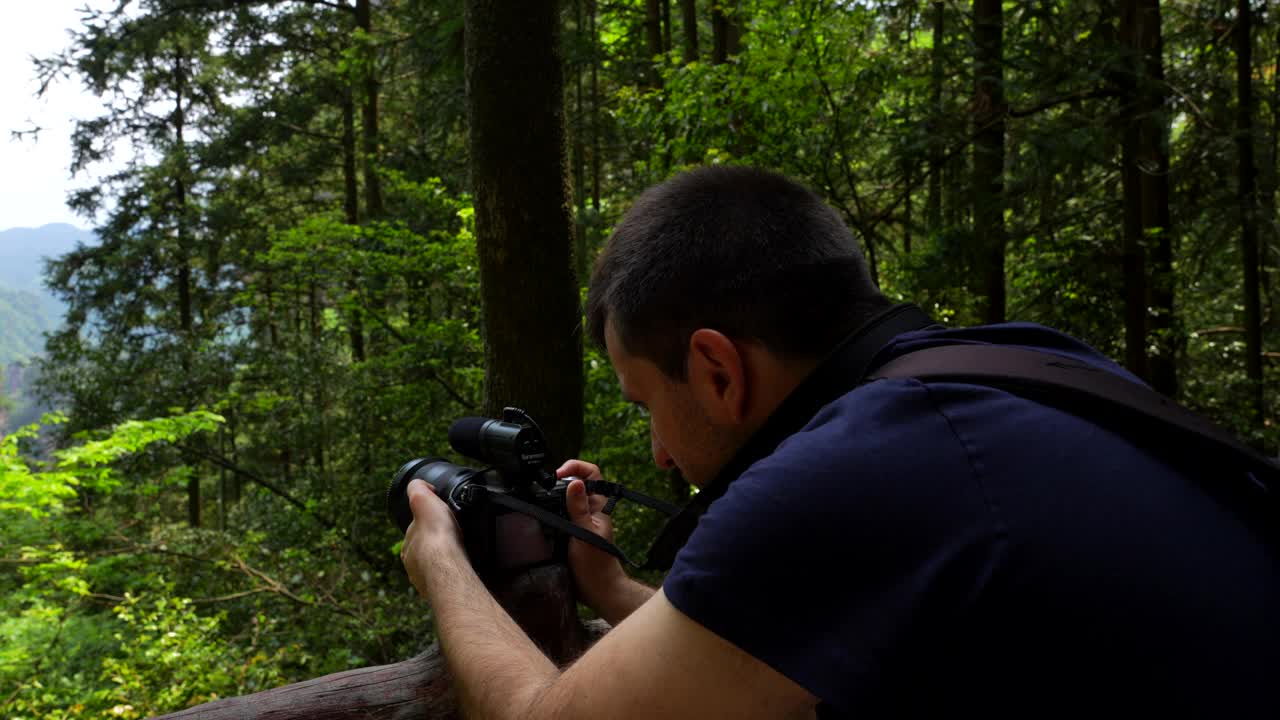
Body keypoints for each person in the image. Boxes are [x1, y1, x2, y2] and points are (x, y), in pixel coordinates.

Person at [399, 165, 1277, 719]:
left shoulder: (853, 471)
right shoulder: (1009, 367)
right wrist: (620, 590)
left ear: (716, 369)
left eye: (644, 404)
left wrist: (442, 555)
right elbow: (776, 644)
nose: (660, 453)